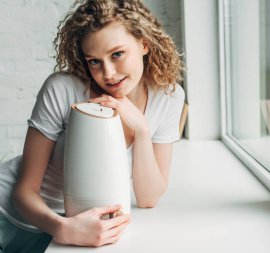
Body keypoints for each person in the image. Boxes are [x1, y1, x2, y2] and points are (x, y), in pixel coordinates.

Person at [0, 0, 185, 251]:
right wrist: (63, 228)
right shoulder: (62, 89)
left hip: (72, 230)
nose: (108, 73)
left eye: (117, 54)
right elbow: (24, 192)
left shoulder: (169, 98)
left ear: (144, 44)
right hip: (12, 216)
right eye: (94, 61)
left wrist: (142, 130)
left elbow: (148, 198)